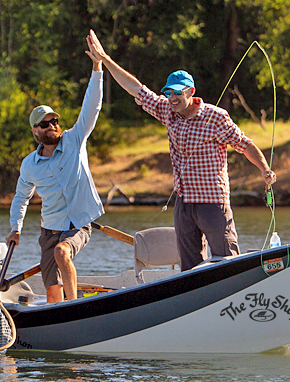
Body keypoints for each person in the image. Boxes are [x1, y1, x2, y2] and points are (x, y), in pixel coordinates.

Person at [86, 30, 277, 271]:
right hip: (184, 204)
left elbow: (245, 144)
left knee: (227, 261)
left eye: (177, 92)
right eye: (168, 92)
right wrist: (104, 59)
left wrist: (264, 169)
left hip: (213, 202)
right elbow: (135, 88)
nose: (172, 97)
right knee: (190, 267)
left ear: (191, 92)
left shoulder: (216, 117)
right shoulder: (167, 111)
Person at [5, 52, 105, 303]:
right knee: (52, 294)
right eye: (45, 123)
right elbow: (21, 198)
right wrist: (15, 229)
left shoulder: (75, 140)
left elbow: (92, 107)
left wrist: (97, 67)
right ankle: (60, 311)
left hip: (78, 224)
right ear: (35, 131)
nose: (52, 125)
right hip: (49, 231)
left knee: (63, 252)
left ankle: (73, 306)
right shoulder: (29, 164)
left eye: (54, 121)